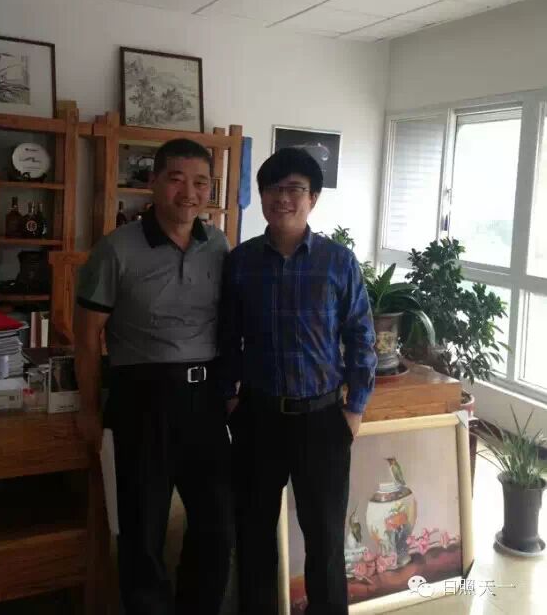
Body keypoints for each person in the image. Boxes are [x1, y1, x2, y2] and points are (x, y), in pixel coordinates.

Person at [74, 138, 233, 615]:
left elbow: (231, 324)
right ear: (153, 182)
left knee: (217, 525)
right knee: (142, 533)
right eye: (176, 179)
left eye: (201, 182)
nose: (189, 192)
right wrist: (88, 409)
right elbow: (87, 336)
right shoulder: (116, 248)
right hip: (141, 402)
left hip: (204, 402)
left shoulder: (218, 245)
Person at [220, 147, 377, 615]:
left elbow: (361, 337)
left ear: (313, 198)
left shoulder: (338, 262)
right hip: (258, 418)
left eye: (295, 189)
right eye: (273, 188)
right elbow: (226, 336)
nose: (283, 198)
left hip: (322, 420)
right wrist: (230, 399)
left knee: (325, 540)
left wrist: (355, 409)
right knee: (253, 535)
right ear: (261, 196)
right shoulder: (242, 261)